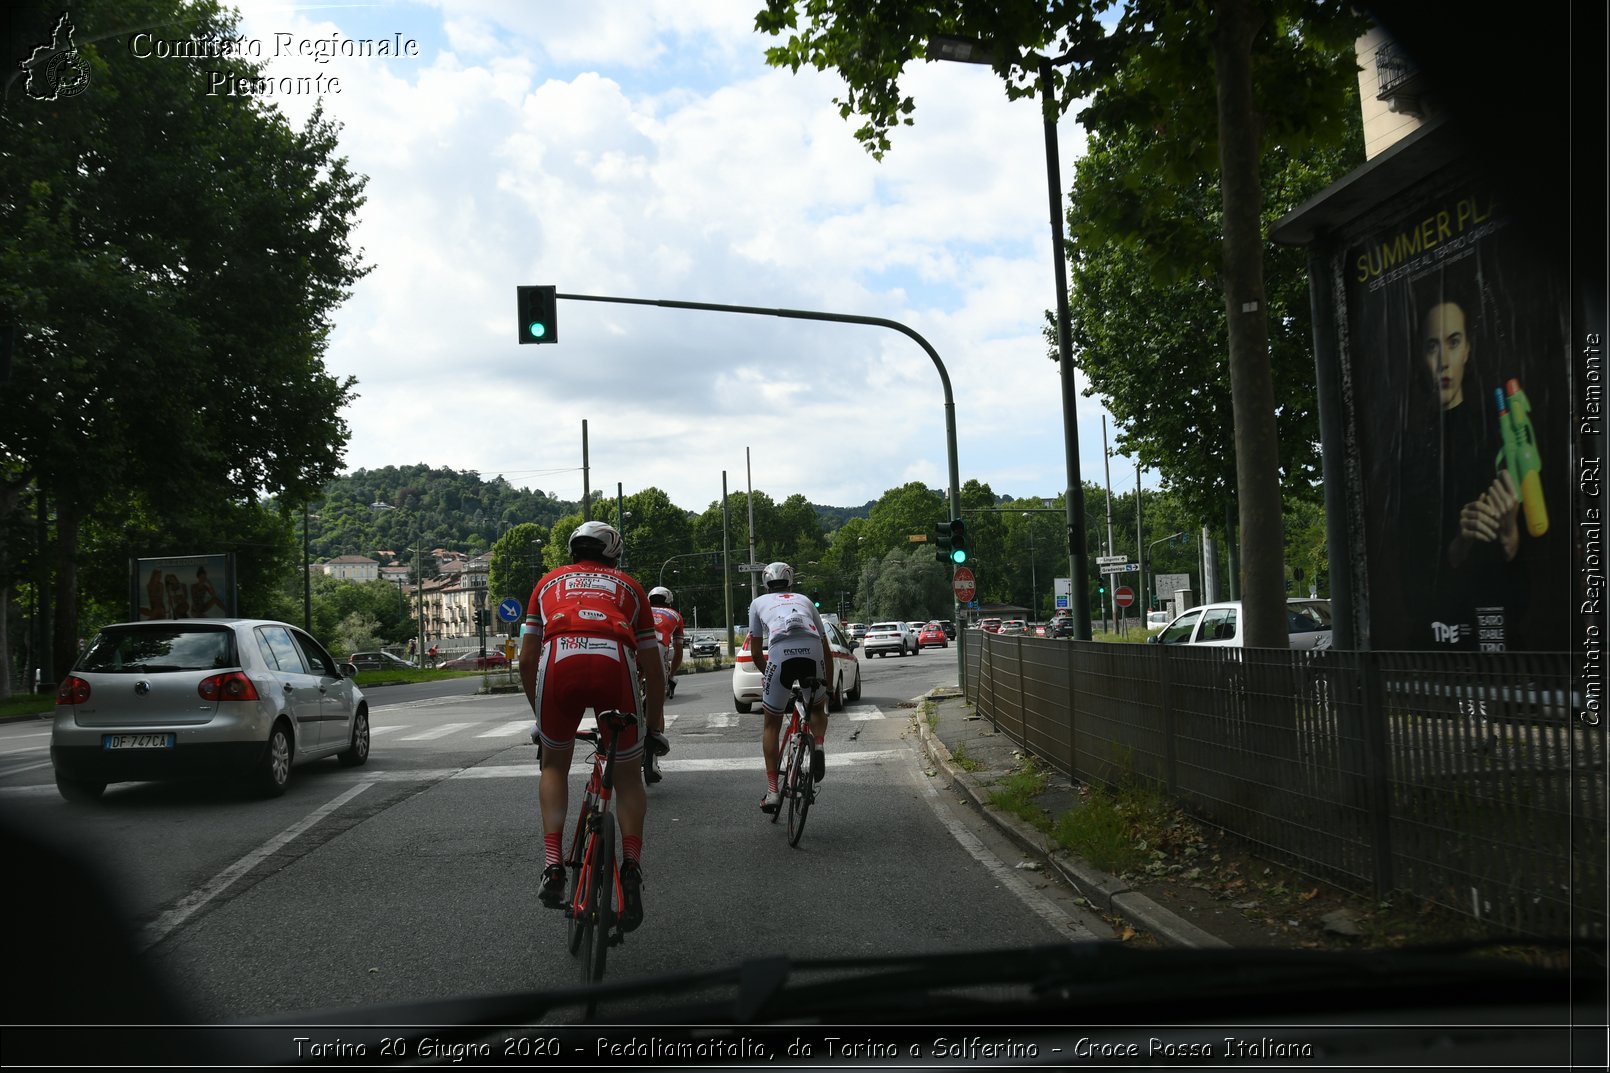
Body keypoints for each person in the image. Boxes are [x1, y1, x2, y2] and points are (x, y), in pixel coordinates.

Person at [520, 521, 668, 931]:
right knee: (628, 778)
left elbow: (526, 660)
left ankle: (553, 866)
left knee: (554, 766)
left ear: (573, 552)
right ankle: (632, 865)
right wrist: (653, 726)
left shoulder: (548, 583)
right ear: (614, 555)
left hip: (560, 658)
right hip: (614, 661)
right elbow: (653, 671)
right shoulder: (630, 586)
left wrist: (540, 718)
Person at [1417, 293, 1522, 654]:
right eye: (1433, 346)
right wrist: (1460, 543)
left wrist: (1508, 529)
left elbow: (1517, 552)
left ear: (1467, 350)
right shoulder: (1411, 449)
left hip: (1506, 629)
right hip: (1446, 634)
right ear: (1421, 356)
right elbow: (1416, 572)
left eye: (1453, 342)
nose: (1444, 361)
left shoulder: (1498, 434)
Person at [747, 561, 833, 814]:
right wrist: (826, 683)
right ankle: (818, 744)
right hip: (812, 649)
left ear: (765, 583)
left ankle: (773, 791)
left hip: (780, 654)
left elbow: (755, 652)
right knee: (817, 708)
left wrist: (771, 676)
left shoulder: (757, 603)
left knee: (771, 723)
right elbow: (825, 645)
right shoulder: (804, 600)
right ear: (790, 580)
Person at [645, 586, 684, 786]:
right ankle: (652, 755)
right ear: (668, 601)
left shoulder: (641, 608)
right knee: (656, 702)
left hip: (634, 646)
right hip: (658, 649)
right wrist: (671, 674)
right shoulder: (675, 615)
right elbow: (678, 652)